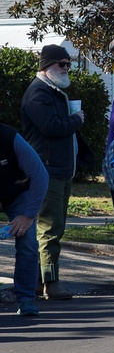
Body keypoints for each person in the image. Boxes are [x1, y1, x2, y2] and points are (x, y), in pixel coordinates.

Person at [21, 44, 86, 300]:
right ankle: (51, 282)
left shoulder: (54, 91)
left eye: (68, 64)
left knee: (54, 227)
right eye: (62, 64)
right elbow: (51, 127)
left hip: (60, 169)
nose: (66, 68)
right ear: (46, 66)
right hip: (47, 170)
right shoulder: (38, 93)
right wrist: (77, 120)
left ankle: (37, 282)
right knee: (50, 229)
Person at [1, 123, 48, 316]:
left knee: (27, 239)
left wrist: (28, 215)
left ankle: (26, 299)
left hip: (17, 194)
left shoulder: (9, 137)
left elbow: (40, 175)